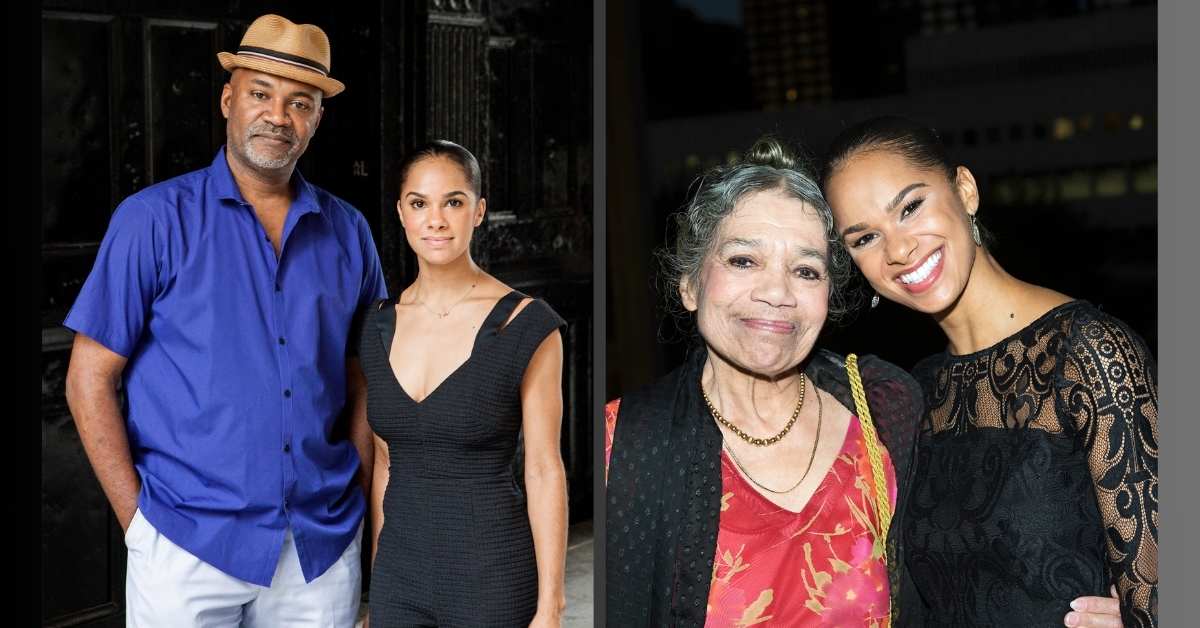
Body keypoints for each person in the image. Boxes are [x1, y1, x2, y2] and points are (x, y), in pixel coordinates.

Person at [63, 14, 386, 626]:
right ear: (227, 98)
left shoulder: (350, 232)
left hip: (318, 549)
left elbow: (363, 384)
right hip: (184, 543)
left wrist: (363, 522)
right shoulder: (152, 221)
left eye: (300, 103)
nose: (278, 116)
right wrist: (140, 526)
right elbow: (88, 378)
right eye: (261, 94)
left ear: (318, 118)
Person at [821, 116, 1157, 628]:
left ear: (965, 190)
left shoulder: (1088, 352)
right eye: (865, 238)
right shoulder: (917, 391)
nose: (899, 250)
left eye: (911, 208)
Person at [605, 137, 927, 626]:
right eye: (743, 260)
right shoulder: (623, 443)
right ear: (690, 284)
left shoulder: (885, 413)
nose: (778, 292)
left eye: (805, 270)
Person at [360, 140, 569, 627]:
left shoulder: (525, 324)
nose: (436, 220)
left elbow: (543, 469)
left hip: (492, 577)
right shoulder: (375, 326)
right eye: (419, 204)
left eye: (452, 202)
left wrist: (551, 605)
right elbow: (386, 465)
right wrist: (379, 589)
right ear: (401, 213)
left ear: (478, 212)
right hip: (400, 582)